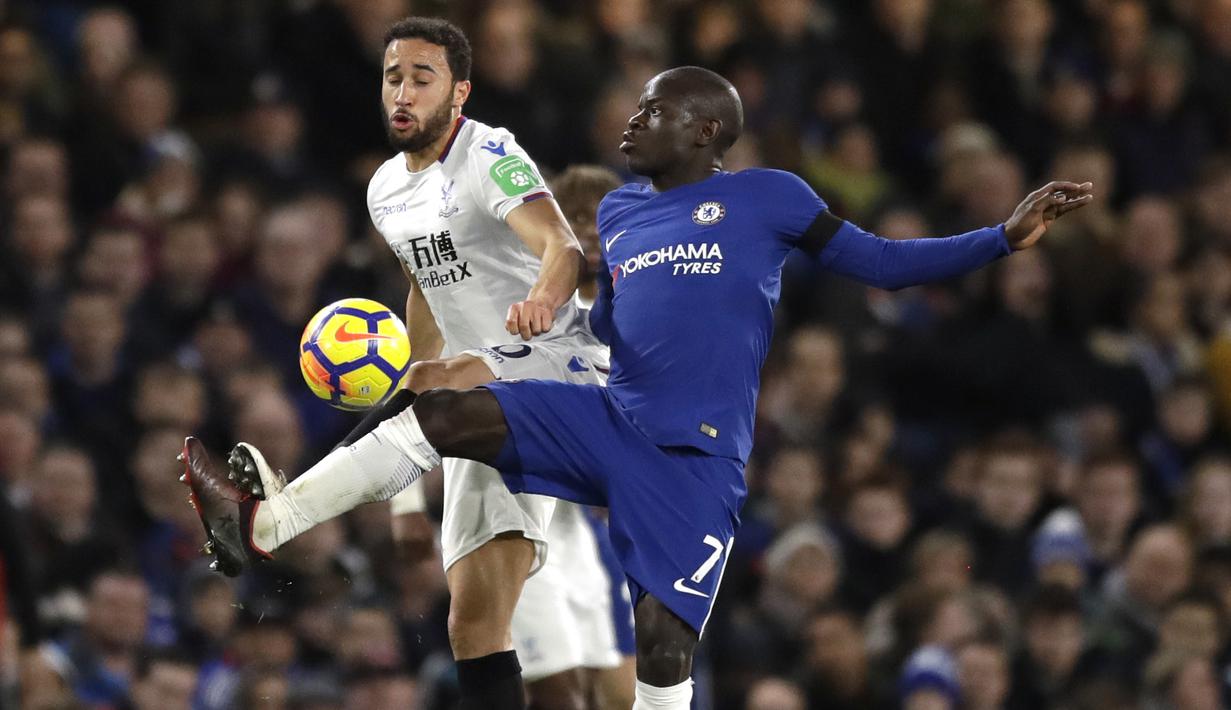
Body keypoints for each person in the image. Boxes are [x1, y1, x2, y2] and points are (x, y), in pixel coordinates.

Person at [184, 64, 1093, 709]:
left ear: (704, 130)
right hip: (612, 419)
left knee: (660, 650)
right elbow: (616, 325)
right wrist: (516, 345)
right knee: (445, 415)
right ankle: (267, 524)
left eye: (654, 109)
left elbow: (883, 264)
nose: (632, 120)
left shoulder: (771, 196)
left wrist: (1001, 239)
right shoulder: (618, 213)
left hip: (694, 460)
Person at [186, 17, 622, 709]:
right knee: (474, 625)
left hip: (561, 363)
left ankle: (268, 521)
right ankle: (265, 520)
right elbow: (426, 287)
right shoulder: (385, 189)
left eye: (423, 78)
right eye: (394, 77)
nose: (404, 92)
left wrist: (541, 300)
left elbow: (561, 247)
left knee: (442, 390)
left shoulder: (489, 152)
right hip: (480, 395)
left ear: (459, 92)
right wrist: (417, 387)